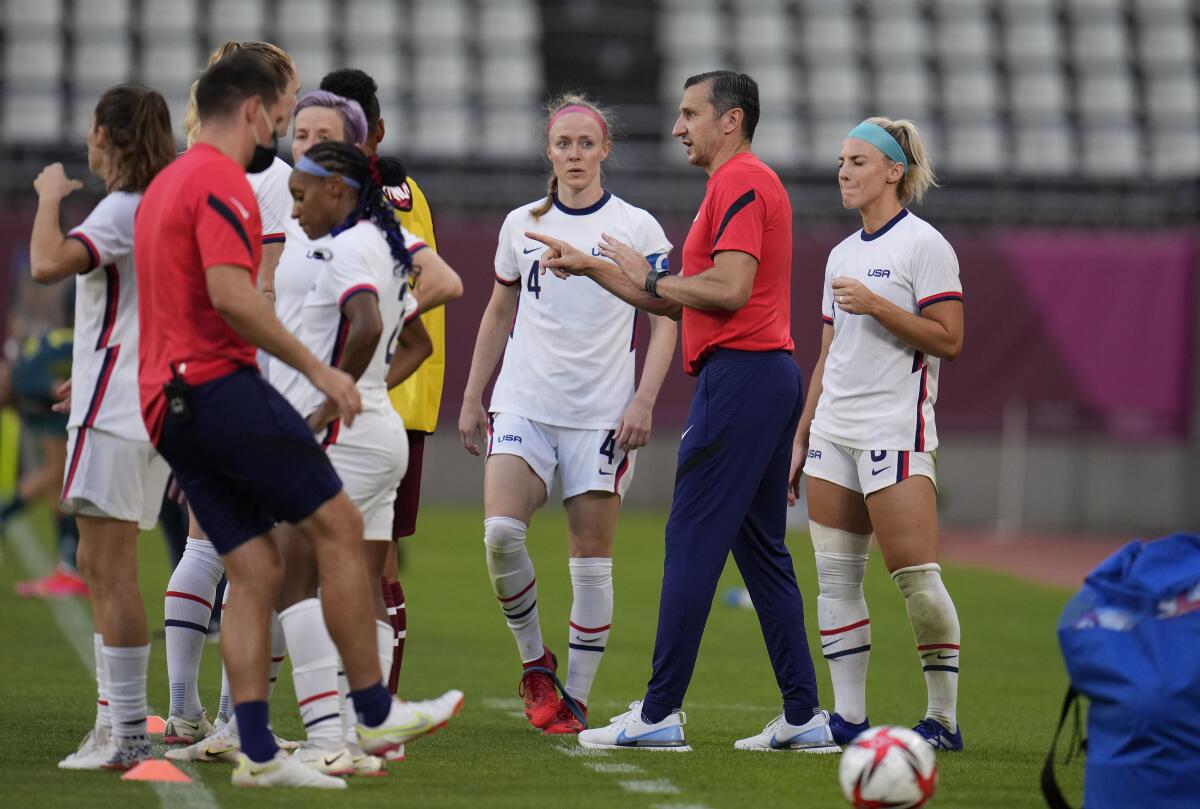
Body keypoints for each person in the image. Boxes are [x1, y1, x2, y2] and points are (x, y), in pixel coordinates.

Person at [134, 50, 458, 789]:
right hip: (218, 387)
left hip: (172, 394)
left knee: (253, 569)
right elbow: (232, 293)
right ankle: (368, 711)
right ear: (252, 111)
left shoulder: (174, 180)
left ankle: (255, 749)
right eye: (283, 116)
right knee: (339, 535)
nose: (284, 133)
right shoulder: (227, 183)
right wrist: (324, 375)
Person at [529, 71, 838, 752]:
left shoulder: (740, 181)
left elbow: (727, 288)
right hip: (760, 376)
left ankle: (660, 710)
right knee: (761, 552)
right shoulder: (729, 187)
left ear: (730, 121)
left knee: (692, 538)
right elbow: (675, 298)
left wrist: (646, 274)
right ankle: (804, 713)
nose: (678, 127)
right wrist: (596, 269)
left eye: (690, 113)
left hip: (741, 378)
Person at [459, 94, 677, 735]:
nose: (576, 154)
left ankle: (575, 699)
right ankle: (536, 662)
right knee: (501, 535)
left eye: (587, 143)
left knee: (590, 560)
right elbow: (498, 311)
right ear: (548, 152)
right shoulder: (518, 224)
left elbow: (669, 317)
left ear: (605, 149)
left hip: (603, 416)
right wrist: (474, 395)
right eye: (564, 144)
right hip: (524, 401)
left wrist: (643, 400)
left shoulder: (638, 228)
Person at [263, 95, 457, 776]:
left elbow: (370, 324)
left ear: (336, 189)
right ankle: (359, 735)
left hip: (344, 432)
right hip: (382, 428)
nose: (293, 208)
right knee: (367, 582)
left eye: (301, 193)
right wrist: (361, 388)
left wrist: (328, 398)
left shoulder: (346, 247)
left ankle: (325, 740)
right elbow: (416, 339)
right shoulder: (388, 241)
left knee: (294, 582)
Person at [793, 117, 964, 752]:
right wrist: (803, 431)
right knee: (835, 578)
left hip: (894, 429)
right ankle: (849, 721)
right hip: (832, 432)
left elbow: (950, 339)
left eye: (859, 161)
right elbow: (827, 354)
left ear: (894, 171)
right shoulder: (841, 253)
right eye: (841, 160)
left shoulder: (925, 245)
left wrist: (880, 305)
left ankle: (943, 720)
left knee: (915, 575)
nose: (844, 171)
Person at [25, 85, 175, 770]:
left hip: (114, 411)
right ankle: (115, 724)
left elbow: (47, 263)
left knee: (108, 572)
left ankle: (126, 735)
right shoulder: (163, 208)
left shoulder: (121, 208)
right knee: (101, 565)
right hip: (128, 399)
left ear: (108, 138)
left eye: (93, 129)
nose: (86, 140)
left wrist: (50, 196)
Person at [163, 39, 300, 747]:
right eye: (286, 96)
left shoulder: (186, 169)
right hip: (243, 374)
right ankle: (233, 718)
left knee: (203, 542)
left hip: (182, 372)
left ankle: (183, 710)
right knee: (260, 554)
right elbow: (261, 288)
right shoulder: (269, 176)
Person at [319, 68, 463, 697]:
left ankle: (378, 704)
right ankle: (361, 704)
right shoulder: (344, 191)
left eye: (341, 127)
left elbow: (424, 283)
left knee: (373, 556)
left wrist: (368, 361)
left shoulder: (388, 193)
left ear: (372, 131)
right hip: (370, 389)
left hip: (390, 394)